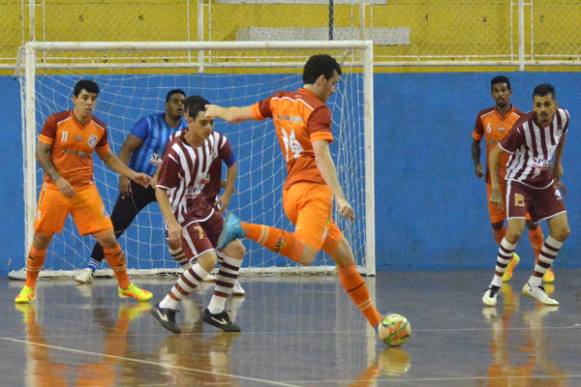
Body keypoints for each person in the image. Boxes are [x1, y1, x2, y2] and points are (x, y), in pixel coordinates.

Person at [205, 54, 386, 335]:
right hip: (314, 193)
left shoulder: (279, 101)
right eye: (334, 84)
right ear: (322, 79)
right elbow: (322, 154)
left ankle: (378, 323)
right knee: (305, 254)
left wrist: (215, 109)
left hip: (291, 192)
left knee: (345, 258)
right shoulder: (317, 111)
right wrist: (340, 197)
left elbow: (235, 115)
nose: (334, 90)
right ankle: (241, 227)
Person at [75, 91, 246, 296]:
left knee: (196, 228)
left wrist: (220, 184)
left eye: (183, 102)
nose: (180, 105)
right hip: (141, 182)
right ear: (166, 104)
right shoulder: (148, 123)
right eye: (175, 102)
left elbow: (200, 167)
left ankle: (223, 275)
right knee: (116, 224)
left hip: (173, 187)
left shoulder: (192, 131)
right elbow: (127, 148)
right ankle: (91, 267)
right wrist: (124, 177)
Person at [14, 80, 153, 303]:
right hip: (55, 188)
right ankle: (29, 288)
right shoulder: (56, 122)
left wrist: (132, 174)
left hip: (84, 189)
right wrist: (58, 179)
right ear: (75, 99)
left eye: (93, 99)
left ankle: (125, 286)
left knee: (108, 238)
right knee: (41, 238)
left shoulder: (99, 128)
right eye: (85, 98)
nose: (89, 103)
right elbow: (41, 152)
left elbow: (108, 158)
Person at [151, 96, 246, 334]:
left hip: (204, 205)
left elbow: (233, 163)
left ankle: (215, 310)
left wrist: (226, 195)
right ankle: (166, 305)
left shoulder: (215, 140)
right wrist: (172, 223)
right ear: (188, 120)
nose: (209, 128)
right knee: (208, 260)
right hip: (182, 212)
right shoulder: (176, 153)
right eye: (203, 123)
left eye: (211, 123)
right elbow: (160, 190)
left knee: (236, 250)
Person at [482, 83, 570, 307]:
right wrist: (494, 189)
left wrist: (557, 164)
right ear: (533, 106)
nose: (542, 109)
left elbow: (560, 138)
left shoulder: (563, 118)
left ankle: (534, 283)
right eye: (538, 105)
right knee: (514, 232)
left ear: (554, 105)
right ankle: (494, 286)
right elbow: (494, 154)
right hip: (519, 181)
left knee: (562, 231)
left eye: (546, 105)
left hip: (544, 181)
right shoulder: (523, 128)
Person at [472, 76, 553, 283]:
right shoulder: (483, 117)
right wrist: (478, 164)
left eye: (504, 90)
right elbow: (476, 141)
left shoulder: (521, 117)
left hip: (519, 181)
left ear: (510, 92)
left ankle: (542, 264)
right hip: (494, 182)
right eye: (496, 90)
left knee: (531, 222)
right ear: (492, 93)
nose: (500, 94)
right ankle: (508, 260)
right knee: (497, 227)